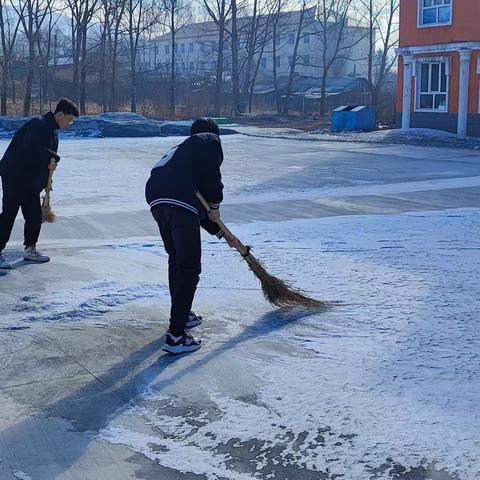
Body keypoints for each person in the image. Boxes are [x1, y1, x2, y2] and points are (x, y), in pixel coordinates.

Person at [146, 118, 240, 354]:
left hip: (158, 200)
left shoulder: (181, 154)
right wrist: (216, 202)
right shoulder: (207, 140)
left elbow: (194, 207)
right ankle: (176, 337)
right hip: (177, 202)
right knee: (189, 267)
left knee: (177, 261)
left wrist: (221, 233)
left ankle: (182, 315)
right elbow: (210, 182)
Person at [0, 98, 79, 269]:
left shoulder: (52, 131)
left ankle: (30, 249)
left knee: (34, 214)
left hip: (28, 179)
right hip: (15, 175)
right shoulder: (39, 124)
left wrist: (45, 181)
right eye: (69, 120)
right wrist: (53, 157)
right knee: (9, 214)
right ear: (60, 114)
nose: (69, 124)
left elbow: (43, 158)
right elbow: (32, 149)